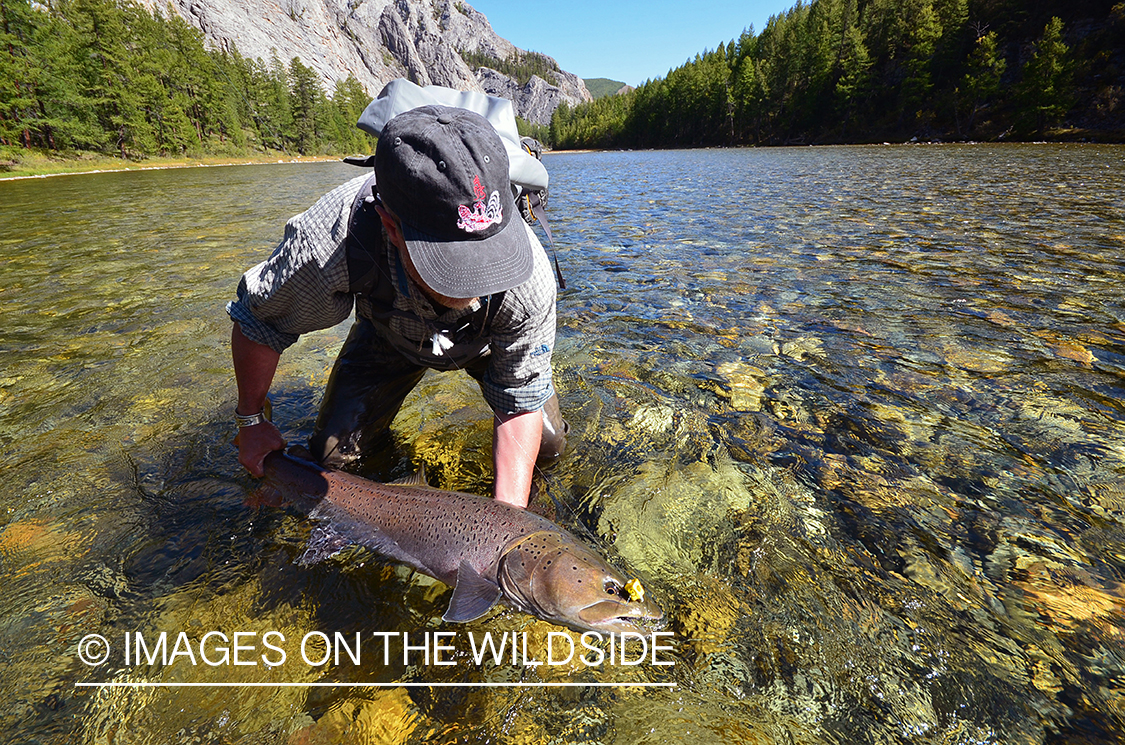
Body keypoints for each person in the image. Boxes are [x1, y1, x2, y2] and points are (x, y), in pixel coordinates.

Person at [227, 105, 566, 508]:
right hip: (387, 337)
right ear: (390, 226)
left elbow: (519, 398)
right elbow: (260, 322)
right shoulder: (328, 245)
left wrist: (504, 525)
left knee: (547, 447)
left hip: (488, 342)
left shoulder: (530, 277)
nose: (475, 284)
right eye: (452, 265)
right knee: (330, 466)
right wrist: (251, 420)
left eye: (487, 258)